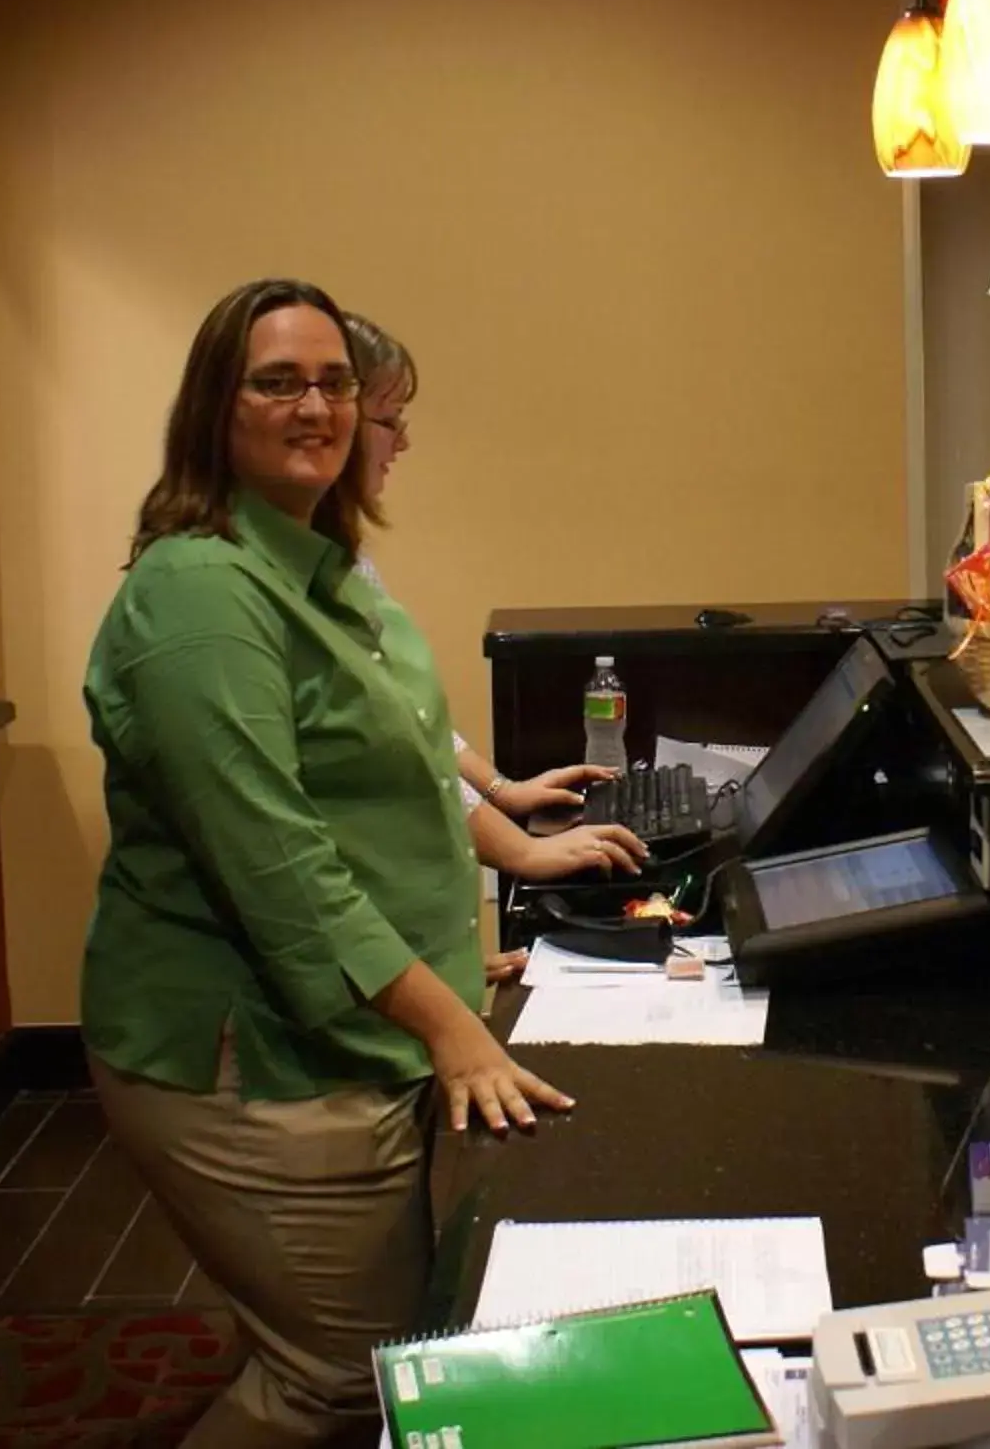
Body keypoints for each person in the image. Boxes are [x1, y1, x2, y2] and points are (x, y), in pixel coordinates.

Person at [82, 277, 568, 1449]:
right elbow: (281, 867)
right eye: (278, 380)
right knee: (339, 1377)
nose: (317, 406)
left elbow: (384, 785)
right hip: (248, 1056)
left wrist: (453, 958)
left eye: (337, 383)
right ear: (217, 405)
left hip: (352, 1029)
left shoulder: (316, 566)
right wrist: (449, 1020)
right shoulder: (201, 594)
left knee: (389, 1340)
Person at [337, 309, 647, 891]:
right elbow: (393, 748)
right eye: (388, 418)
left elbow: (416, 718)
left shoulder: (347, 562)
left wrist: (505, 791)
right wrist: (523, 852)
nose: (403, 440)